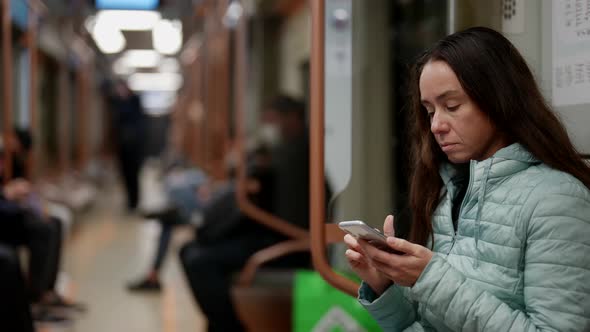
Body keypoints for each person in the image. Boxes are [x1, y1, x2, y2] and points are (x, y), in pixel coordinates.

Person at [344, 27, 590, 331]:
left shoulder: (557, 199)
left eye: (452, 106)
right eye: (429, 110)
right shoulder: (448, 190)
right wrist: (384, 285)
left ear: (498, 99)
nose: (436, 125)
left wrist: (429, 278)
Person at [179, 95, 312, 332]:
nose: (268, 127)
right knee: (189, 250)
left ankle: (230, 327)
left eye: (272, 120)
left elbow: (290, 215)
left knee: (199, 260)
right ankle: (220, 323)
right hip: (274, 233)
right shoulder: (285, 150)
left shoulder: (297, 153)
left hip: (290, 243)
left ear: (292, 118)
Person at [108, 80, 147, 211]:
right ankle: (129, 201)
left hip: (134, 147)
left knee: (134, 175)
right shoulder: (117, 103)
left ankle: (134, 202)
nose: (120, 92)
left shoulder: (134, 102)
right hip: (123, 146)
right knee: (125, 174)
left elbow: (140, 124)